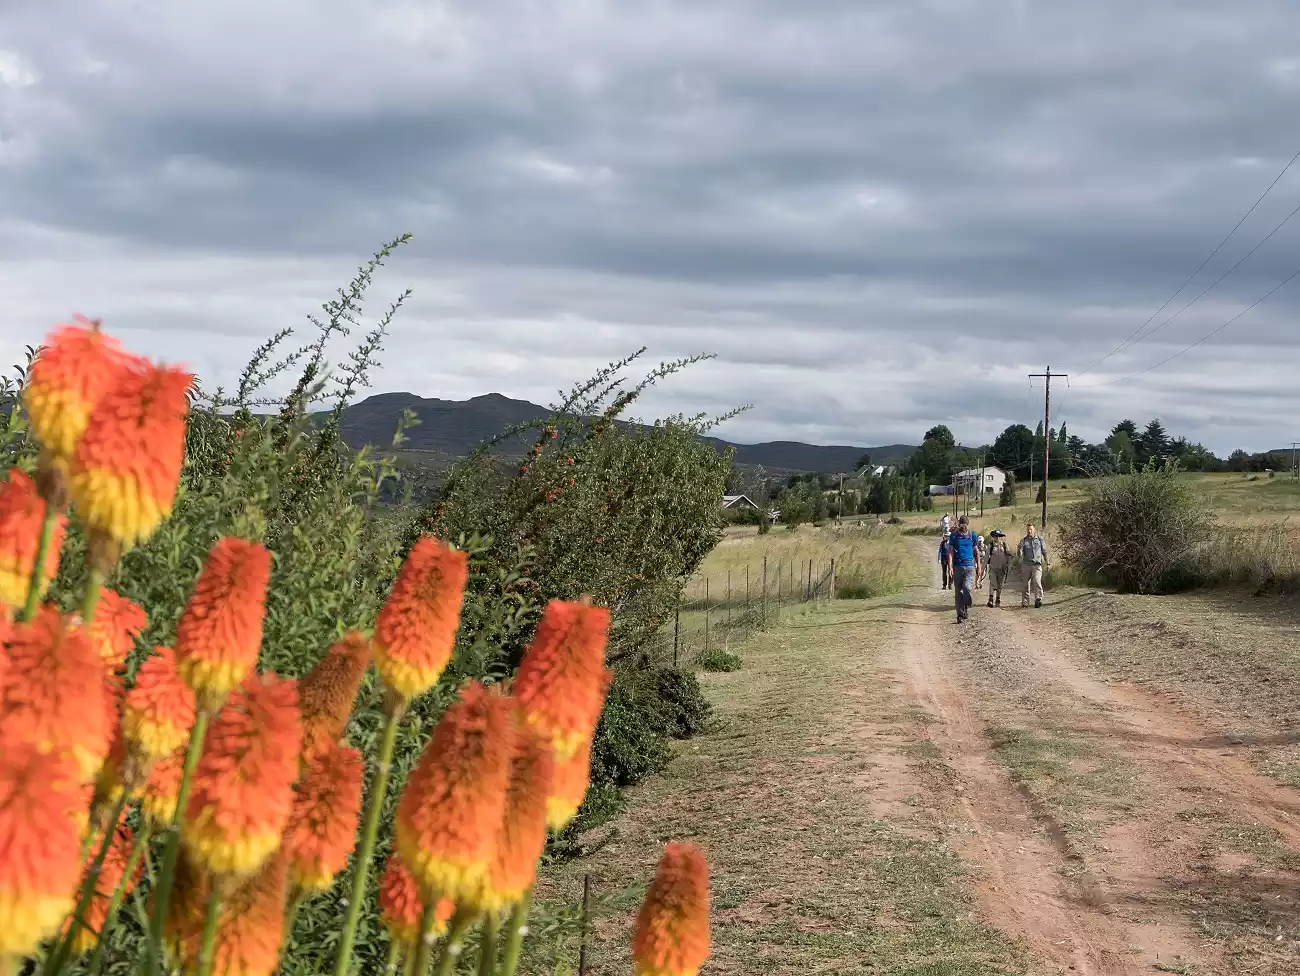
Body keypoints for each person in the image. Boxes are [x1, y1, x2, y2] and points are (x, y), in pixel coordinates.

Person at [946, 514, 983, 623]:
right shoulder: (954, 536)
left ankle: (967, 605)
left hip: (969, 566)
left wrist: (979, 566)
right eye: (962, 525)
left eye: (965, 525)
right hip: (958, 566)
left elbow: (976, 552)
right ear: (959, 524)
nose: (964, 528)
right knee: (958, 592)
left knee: (967, 588)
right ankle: (960, 614)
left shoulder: (972, 535)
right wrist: (950, 567)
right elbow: (951, 553)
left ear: (967, 525)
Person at [1019, 522, 1049, 608]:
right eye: (1028, 529)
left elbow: (1044, 552)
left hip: (1037, 565)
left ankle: (1038, 599)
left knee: (1036, 581)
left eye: (1031, 529)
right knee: (1025, 584)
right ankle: (1025, 602)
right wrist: (1018, 549)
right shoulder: (1023, 540)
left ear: (1034, 530)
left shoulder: (1040, 539)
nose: (1029, 531)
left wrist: (1048, 563)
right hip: (1026, 565)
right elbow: (1020, 554)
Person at [986, 530, 1010, 607]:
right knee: (993, 583)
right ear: (993, 537)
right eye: (996, 536)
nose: (998, 538)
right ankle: (990, 599)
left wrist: (1008, 566)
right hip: (993, 567)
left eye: (999, 536)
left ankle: (998, 598)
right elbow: (986, 558)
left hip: (1002, 569)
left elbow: (1008, 557)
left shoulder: (1005, 545)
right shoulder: (991, 545)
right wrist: (981, 569)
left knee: (1000, 584)